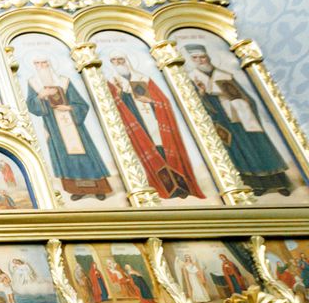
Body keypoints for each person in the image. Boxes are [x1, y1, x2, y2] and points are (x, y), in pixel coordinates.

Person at [185, 44, 292, 196]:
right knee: (241, 152)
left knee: (260, 147)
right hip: (222, 120)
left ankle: (280, 183)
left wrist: (244, 106)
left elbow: (245, 96)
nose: (200, 60)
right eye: (195, 58)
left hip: (243, 117)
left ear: (208, 57)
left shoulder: (224, 75)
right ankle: (257, 185)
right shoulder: (192, 78)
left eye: (202, 57)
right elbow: (194, 104)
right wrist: (202, 93)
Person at [105, 54, 205, 200]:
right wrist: (120, 94)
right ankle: (163, 188)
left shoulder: (143, 78)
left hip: (155, 121)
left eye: (121, 59)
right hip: (137, 125)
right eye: (114, 60)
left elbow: (163, 100)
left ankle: (181, 187)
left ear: (127, 61)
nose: (118, 63)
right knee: (150, 153)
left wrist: (152, 102)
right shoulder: (112, 83)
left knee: (165, 150)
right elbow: (113, 107)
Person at [24, 57, 112, 200]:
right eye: (37, 63)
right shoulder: (33, 83)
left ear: (50, 63)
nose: (41, 66)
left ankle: (99, 188)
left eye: (44, 62)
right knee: (64, 156)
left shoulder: (64, 81)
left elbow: (81, 104)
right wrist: (40, 96)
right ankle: (77, 190)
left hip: (74, 126)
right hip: (53, 128)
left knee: (85, 153)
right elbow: (31, 105)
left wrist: (69, 108)